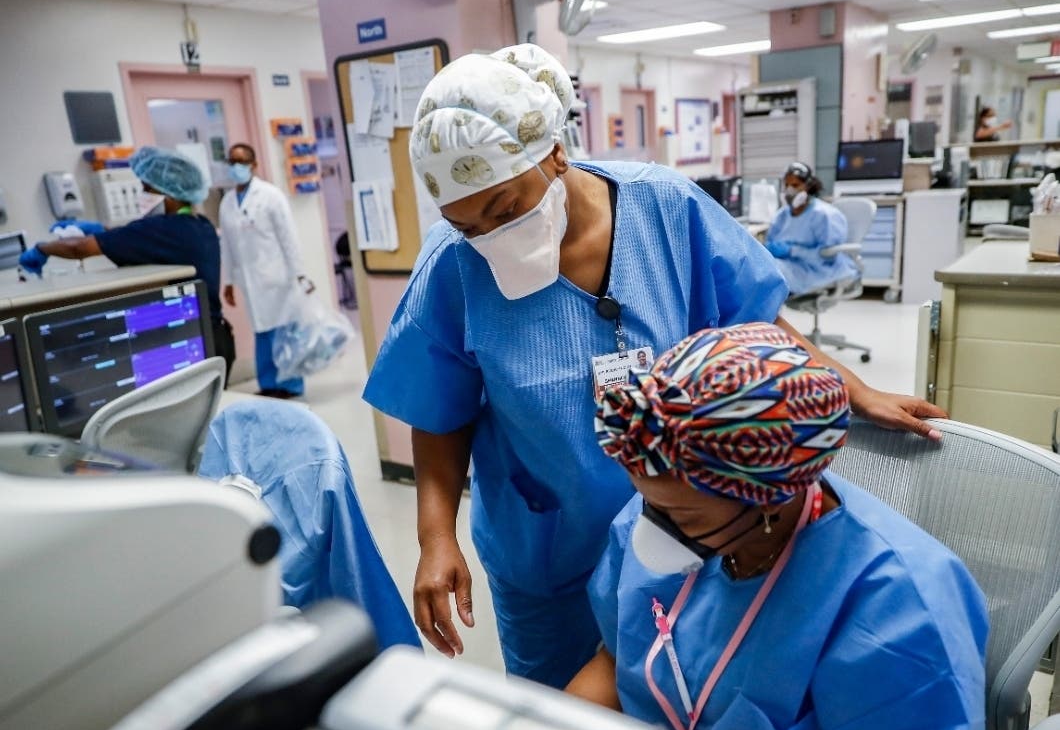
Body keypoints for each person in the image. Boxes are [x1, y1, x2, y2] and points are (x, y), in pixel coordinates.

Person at [362, 43, 947, 689]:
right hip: (544, 543)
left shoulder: (664, 208)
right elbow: (438, 410)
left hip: (687, 524)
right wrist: (434, 536)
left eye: (504, 208)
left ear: (555, 152)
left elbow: (748, 323)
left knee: (679, 692)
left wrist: (855, 389)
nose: (490, 234)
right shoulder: (453, 266)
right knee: (560, 708)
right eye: (465, 223)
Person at [568, 323, 988, 730]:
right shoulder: (673, 493)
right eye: (647, 501)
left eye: (680, 515)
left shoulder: (899, 607)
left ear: (767, 499)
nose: (649, 528)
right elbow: (615, 661)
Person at [18, 147, 235, 376]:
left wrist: (42, 249)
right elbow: (134, 236)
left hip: (194, 342)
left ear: (169, 194)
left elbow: (79, 248)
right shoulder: (199, 224)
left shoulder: (162, 229)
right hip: (216, 337)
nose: (141, 193)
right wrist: (101, 230)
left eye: (146, 188)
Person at [220, 143, 313, 399]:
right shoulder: (227, 202)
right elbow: (226, 246)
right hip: (250, 282)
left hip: (278, 277)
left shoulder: (271, 195)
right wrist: (227, 282)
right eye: (232, 161)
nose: (236, 167)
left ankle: (291, 385)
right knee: (261, 333)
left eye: (241, 161)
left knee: (283, 333)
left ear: (254, 165)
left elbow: (288, 238)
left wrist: (300, 274)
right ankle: (269, 384)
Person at [764, 161, 857, 297]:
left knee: (770, 276)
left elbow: (828, 256)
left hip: (817, 271)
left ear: (808, 186)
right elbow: (770, 243)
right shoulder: (781, 216)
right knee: (762, 269)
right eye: (787, 185)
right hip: (789, 266)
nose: (790, 190)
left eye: (795, 185)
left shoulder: (824, 215)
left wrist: (792, 251)